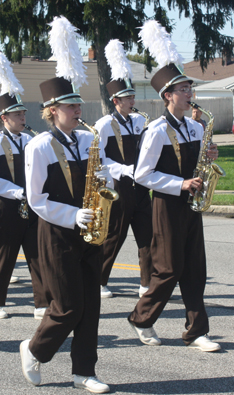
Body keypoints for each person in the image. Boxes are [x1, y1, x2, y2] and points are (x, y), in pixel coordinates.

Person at [128, 22, 221, 353]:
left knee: (196, 268)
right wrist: (180, 183)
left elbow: (199, 162)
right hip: (166, 206)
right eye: (183, 89)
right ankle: (142, 319)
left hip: (191, 204)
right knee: (168, 270)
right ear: (168, 96)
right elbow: (142, 174)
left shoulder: (196, 127)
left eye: (189, 88)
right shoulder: (155, 131)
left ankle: (197, 331)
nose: (189, 93)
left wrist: (209, 155)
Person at [20, 76, 112, 392]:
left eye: (78, 104)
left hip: (89, 231)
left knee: (90, 306)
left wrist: (106, 184)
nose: (78, 110)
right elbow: (36, 200)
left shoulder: (88, 140)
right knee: (69, 305)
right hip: (57, 233)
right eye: (71, 106)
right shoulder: (40, 146)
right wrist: (73, 215)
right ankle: (34, 350)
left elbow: (102, 173)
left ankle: (84, 371)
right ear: (52, 111)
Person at [0, 93, 48, 319]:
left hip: (31, 205)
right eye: (17, 114)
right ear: (4, 118)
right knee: (4, 254)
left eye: (24, 113)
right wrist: (15, 192)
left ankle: (42, 303)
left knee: (37, 254)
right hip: (7, 206)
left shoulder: (29, 140)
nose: (22, 117)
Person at [95, 58, 153, 299]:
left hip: (141, 187)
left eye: (133, 97)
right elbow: (99, 160)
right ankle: (99, 280)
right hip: (119, 187)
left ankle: (146, 284)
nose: (133, 101)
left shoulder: (140, 121)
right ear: (116, 101)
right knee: (114, 236)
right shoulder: (104, 125)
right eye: (128, 98)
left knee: (148, 237)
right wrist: (124, 169)